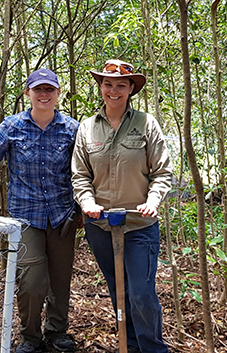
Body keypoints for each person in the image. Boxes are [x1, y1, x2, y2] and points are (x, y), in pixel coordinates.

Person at [0, 68, 80, 353]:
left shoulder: (72, 129)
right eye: (38, 89)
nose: (44, 95)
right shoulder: (12, 126)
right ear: (28, 93)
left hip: (62, 216)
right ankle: (30, 337)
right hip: (26, 218)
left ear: (58, 94)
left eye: (49, 90)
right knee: (32, 281)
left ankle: (57, 332)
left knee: (60, 278)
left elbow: (87, 166)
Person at [71, 59, 173, 353]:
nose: (113, 90)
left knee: (142, 293)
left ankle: (152, 348)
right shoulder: (87, 128)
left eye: (120, 85)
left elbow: (162, 172)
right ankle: (127, 345)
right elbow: (80, 175)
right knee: (119, 289)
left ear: (130, 89)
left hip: (139, 224)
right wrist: (87, 202)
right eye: (107, 84)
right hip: (100, 225)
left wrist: (153, 201)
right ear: (100, 87)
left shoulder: (145, 123)